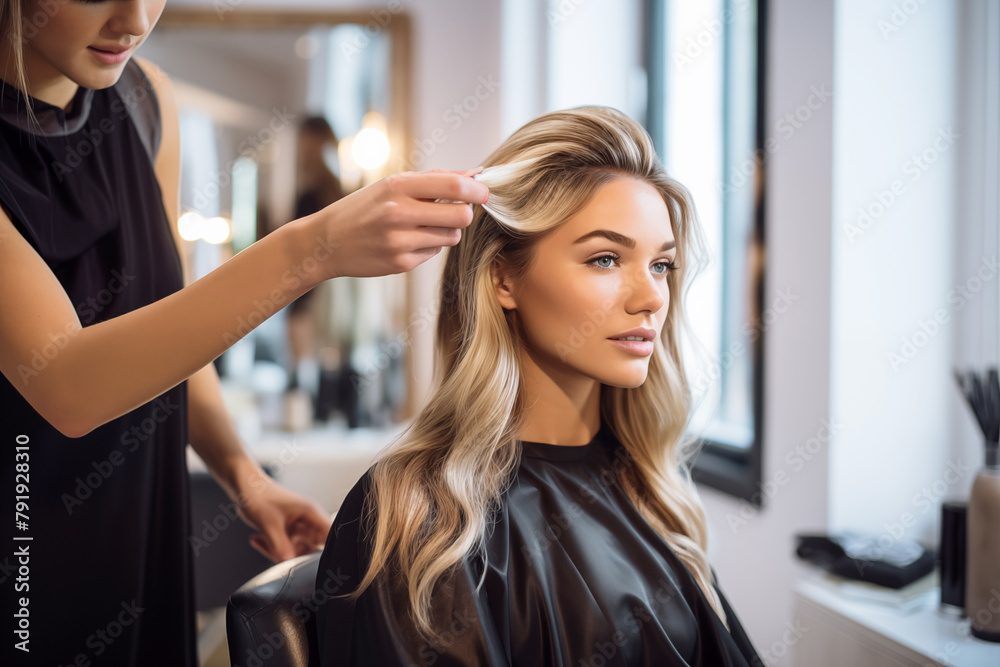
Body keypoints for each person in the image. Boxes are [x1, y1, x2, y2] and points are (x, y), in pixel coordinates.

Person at [0, 2, 488, 666]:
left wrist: (242, 475)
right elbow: (67, 382)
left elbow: (169, 327)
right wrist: (309, 250)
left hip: (138, 533)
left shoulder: (146, 104)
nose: (136, 18)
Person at [315, 106, 763, 666]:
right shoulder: (425, 520)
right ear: (503, 277)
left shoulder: (652, 491)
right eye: (605, 259)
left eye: (662, 266)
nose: (650, 298)